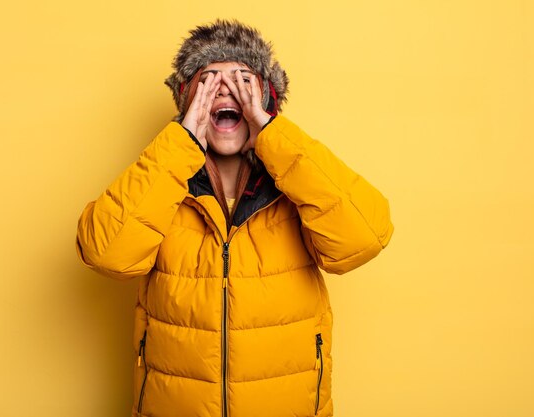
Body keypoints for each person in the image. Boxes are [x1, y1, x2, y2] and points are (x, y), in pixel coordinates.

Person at [76, 19, 393, 417]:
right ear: (186, 100)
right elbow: (106, 254)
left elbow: (364, 238)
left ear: (268, 98)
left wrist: (274, 136)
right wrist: (181, 144)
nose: (225, 89)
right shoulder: (162, 185)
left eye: (243, 79)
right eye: (208, 80)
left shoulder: (299, 187)